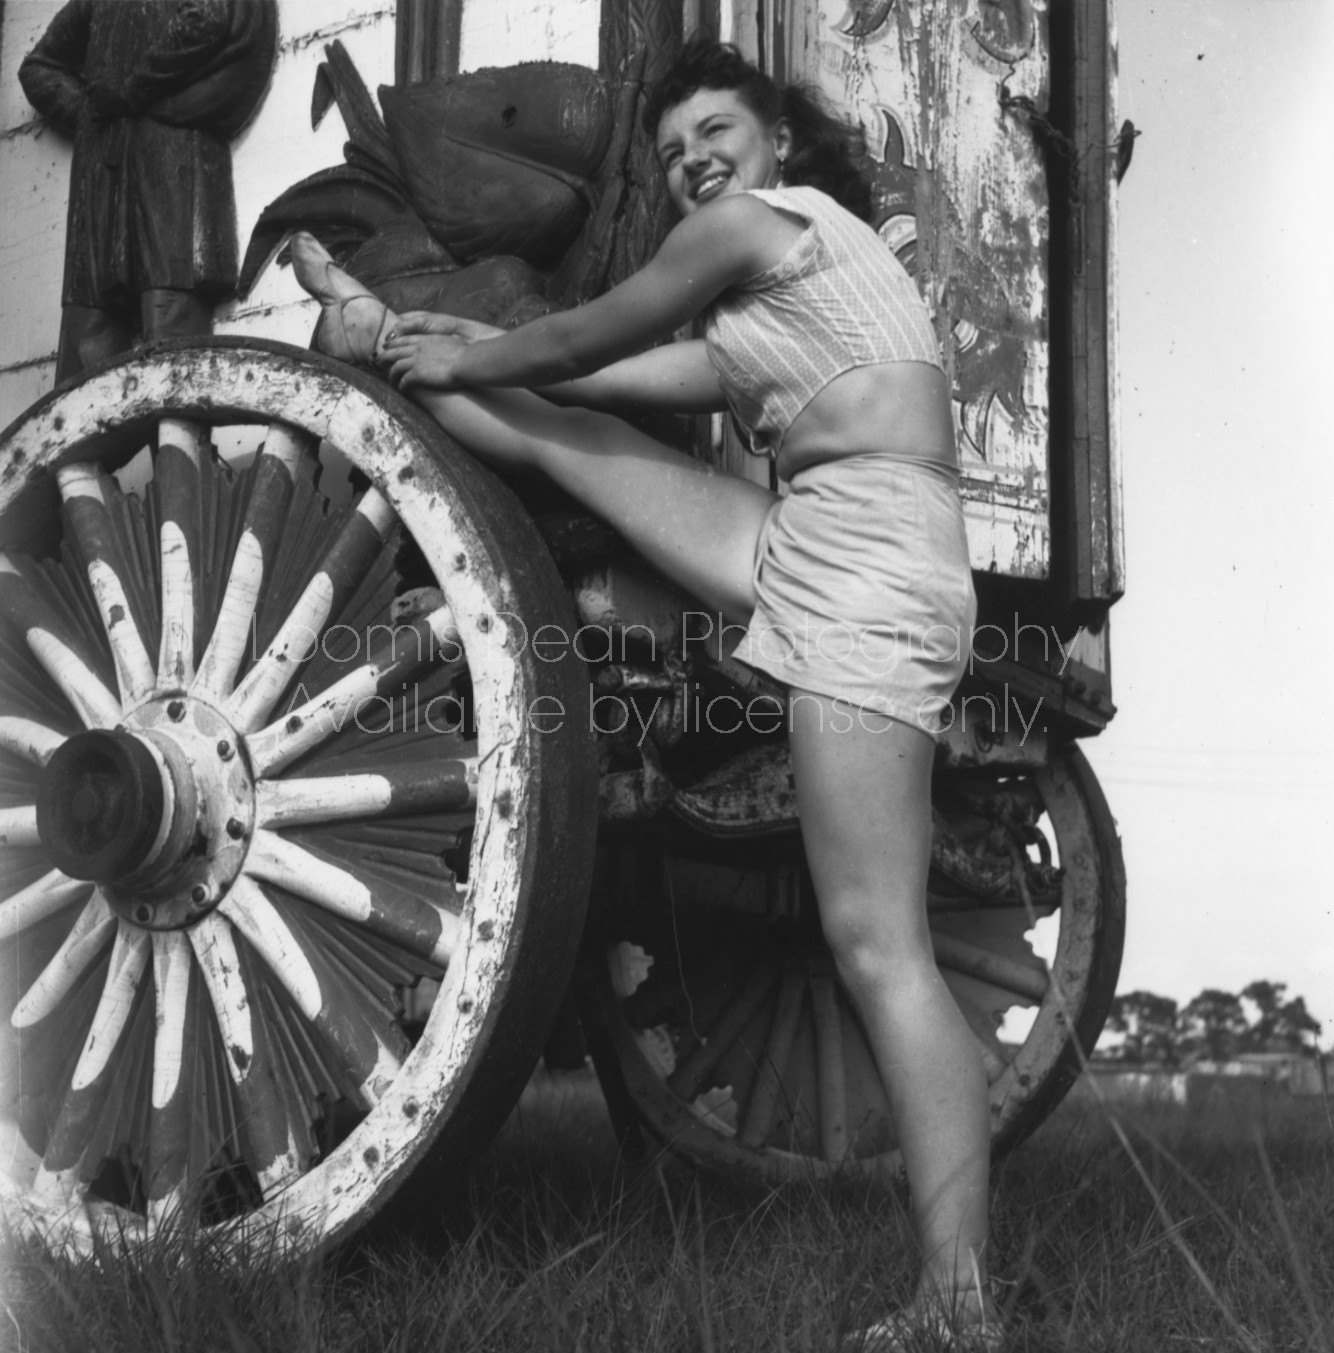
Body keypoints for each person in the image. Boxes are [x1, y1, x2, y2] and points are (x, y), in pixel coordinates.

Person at [292, 36, 992, 1350]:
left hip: (869, 563)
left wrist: (496, 350)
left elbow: (579, 329)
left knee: (872, 939)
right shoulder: (771, 304)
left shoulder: (760, 227)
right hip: (813, 540)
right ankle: (372, 331)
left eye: (714, 133)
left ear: (774, 141)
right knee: (578, 430)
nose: (692, 165)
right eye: (672, 156)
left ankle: (958, 1306)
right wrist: (428, 342)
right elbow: (589, 377)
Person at [19, 0, 277, 380]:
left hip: (173, 172)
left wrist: (131, 89)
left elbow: (210, 18)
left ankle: (177, 436)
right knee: (86, 347)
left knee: (172, 333)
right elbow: (38, 67)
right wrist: (94, 115)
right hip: (103, 183)